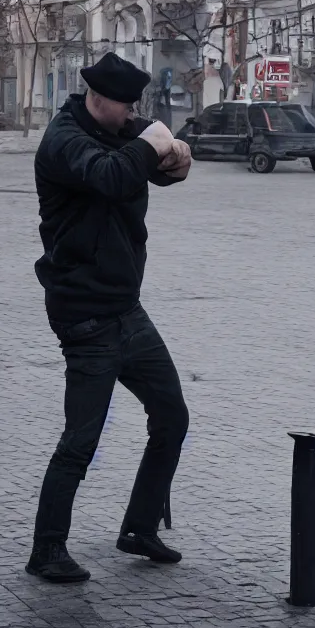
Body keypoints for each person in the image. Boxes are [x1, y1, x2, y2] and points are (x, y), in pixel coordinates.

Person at [28, 52, 194, 583]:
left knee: (172, 417)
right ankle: (47, 549)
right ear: (98, 99)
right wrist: (153, 144)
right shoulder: (65, 143)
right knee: (82, 439)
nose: (131, 116)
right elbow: (112, 176)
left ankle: (139, 528)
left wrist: (176, 154)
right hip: (84, 316)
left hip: (127, 309)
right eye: (125, 107)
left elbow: (156, 155)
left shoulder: (116, 126)